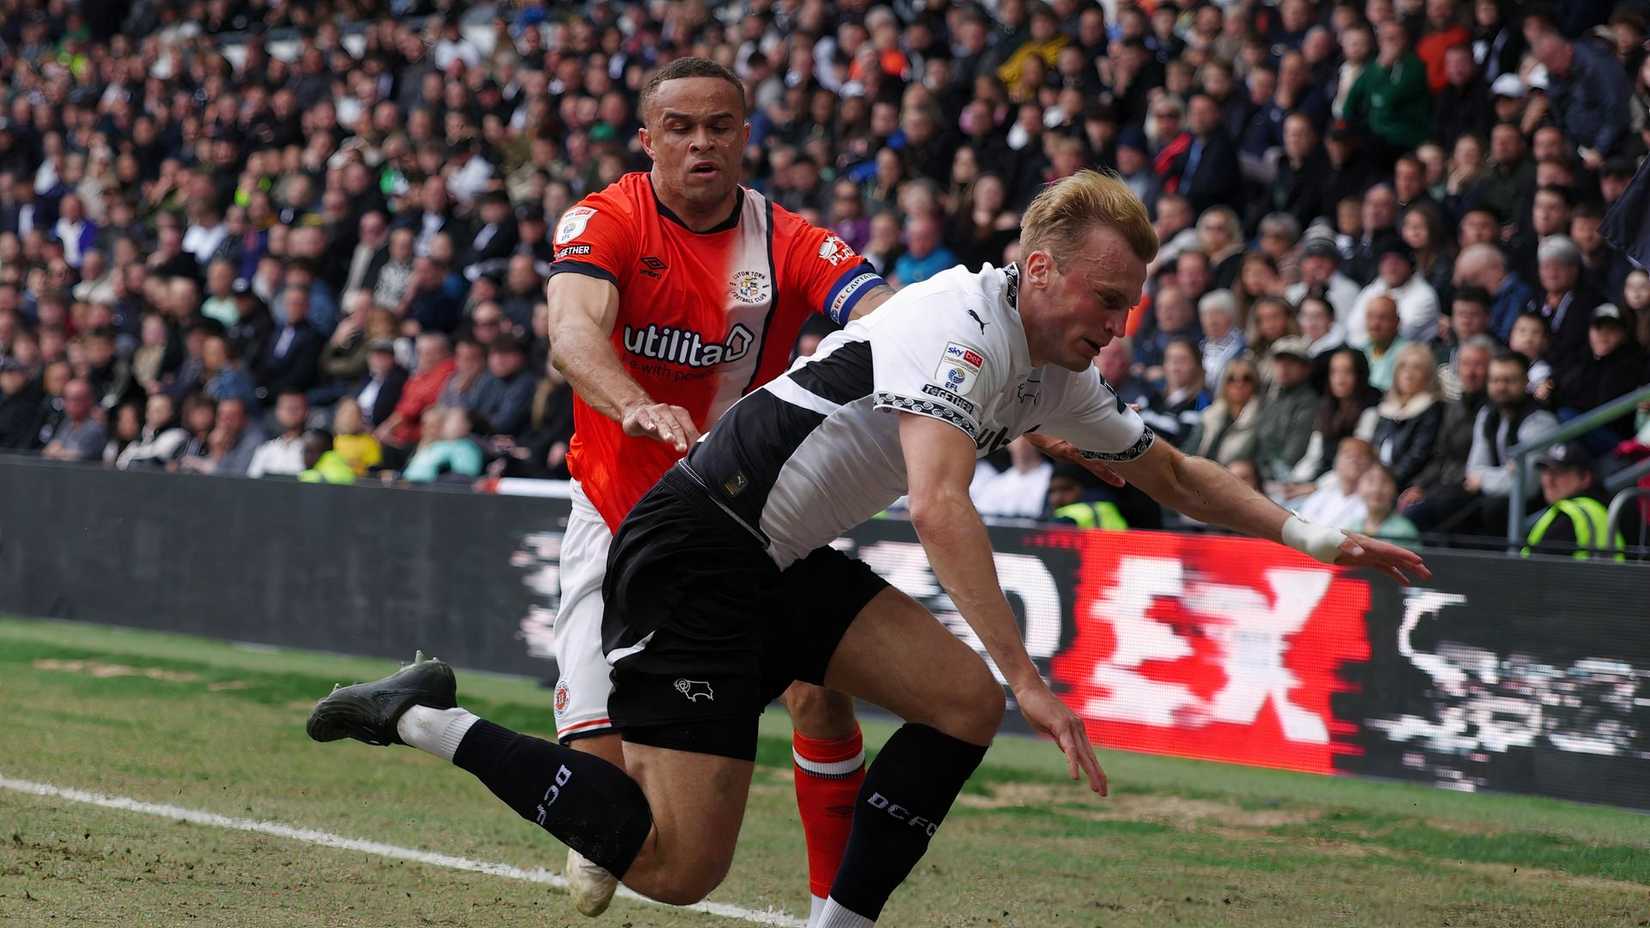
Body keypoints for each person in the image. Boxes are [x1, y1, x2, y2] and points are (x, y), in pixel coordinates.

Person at [308, 171, 1425, 928]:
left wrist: (1315, 535)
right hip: (696, 548)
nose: (1121, 323)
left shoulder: (1052, 371)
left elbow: (1172, 474)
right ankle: (421, 716)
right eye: (1108, 298)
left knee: (958, 703)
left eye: (1131, 304)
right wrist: (1031, 678)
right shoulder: (959, 323)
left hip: (775, 560)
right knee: (675, 866)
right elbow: (939, 507)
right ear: (1040, 269)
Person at [525, 59, 898, 920]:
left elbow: (889, 314)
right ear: (647, 140)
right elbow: (571, 333)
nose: (702, 143)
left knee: (821, 690)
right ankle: (479, 746)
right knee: (608, 804)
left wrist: (971, 366)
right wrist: (632, 402)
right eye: (681, 128)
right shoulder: (606, 220)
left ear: (745, 136)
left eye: (720, 126)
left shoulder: (788, 240)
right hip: (619, 516)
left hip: (746, 520)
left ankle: (833, 915)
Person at [1521, 441, 1627, 560]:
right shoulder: (1600, 509)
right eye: (1545, 472)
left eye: (1559, 472)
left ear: (1585, 478)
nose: (1548, 481)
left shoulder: (1570, 514)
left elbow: (1536, 568)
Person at [1370, 343, 1445, 490]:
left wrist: (1387, 482)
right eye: (1403, 367)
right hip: (1377, 479)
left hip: (1404, 484)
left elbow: (1417, 456)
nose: (1408, 374)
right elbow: (1374, 448)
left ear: (1428, 375)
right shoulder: (1388, 407)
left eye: (1416, 368)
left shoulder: (1431, 410)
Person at [1253, 336, 1318, 486]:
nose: (1284, 367)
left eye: (1292, 362)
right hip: (1258, 470)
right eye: (1279, 361)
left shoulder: (1308, 401)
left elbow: (1292, 454)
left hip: (1283, 477)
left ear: (1305, 368)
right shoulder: (1269, 395)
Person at [1190, 356, 1263, 466]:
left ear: (1255, 384)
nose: (1239, 384)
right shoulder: (1209, 415)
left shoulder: (1262, 418)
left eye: (1246, 378)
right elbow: (1189, 451)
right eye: (1231, 379)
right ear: (1224, 384)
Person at [1347, 462, 1421, 542]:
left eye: (1384, 482)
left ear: (1394, 489)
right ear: (1358, 487)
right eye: (1370, 481)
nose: (1377, 489)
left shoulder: (1404, 531)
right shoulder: (1353, 528)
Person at [39, 378, 106, 462]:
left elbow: (80, 457)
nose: (69, 404)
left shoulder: (95, 428)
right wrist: (59, 452)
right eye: (66, 398)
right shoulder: (67, 423)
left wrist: (59, 453)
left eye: (75, 399)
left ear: (88, 401)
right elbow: (49, 450)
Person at [247, 390, 310, 478]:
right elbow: (252, 481)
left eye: (296, 408)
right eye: (286, 408)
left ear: (306, 411)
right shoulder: (265, 450)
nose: (291, 412)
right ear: (277, 411)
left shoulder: (314, 450)